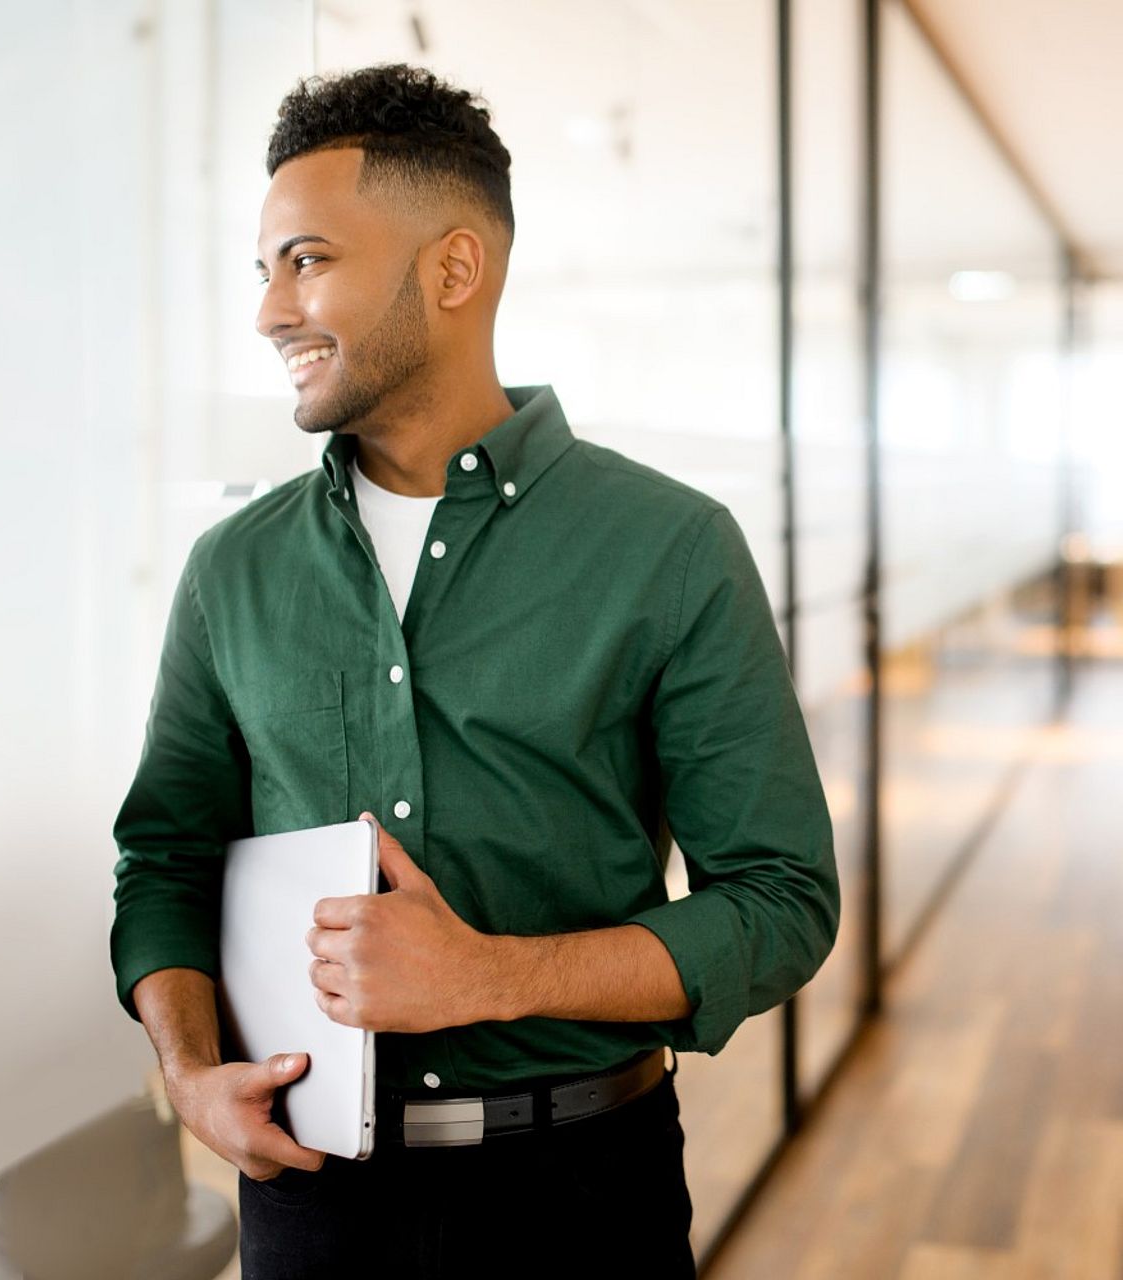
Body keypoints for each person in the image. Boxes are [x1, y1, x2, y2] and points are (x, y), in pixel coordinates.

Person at [110, 62, 839, 1279]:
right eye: (263, 270)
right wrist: (189, 1072)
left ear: (452, 270)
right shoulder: (229, 569)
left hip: (580, 1197)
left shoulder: (666, 546)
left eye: (308, 260)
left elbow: (777, 900)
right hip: (310, 1199)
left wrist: (489, 976)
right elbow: (168, 856)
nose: (270, 311)